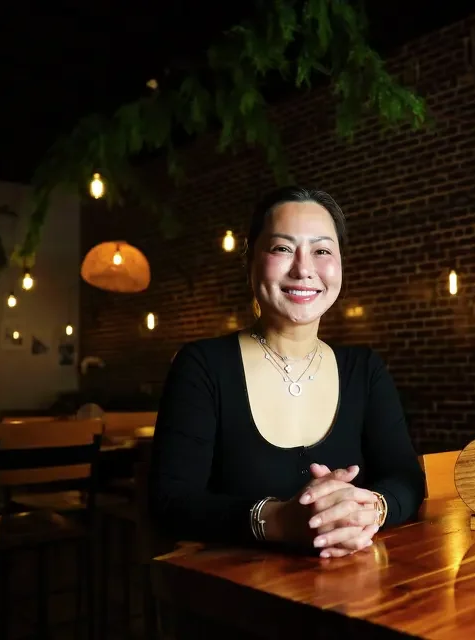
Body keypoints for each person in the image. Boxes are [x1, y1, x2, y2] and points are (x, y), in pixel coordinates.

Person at [148, 186, 425, 558]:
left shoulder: (365, 369)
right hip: (235, 596)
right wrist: (279, 520)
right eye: (282, 248)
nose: (304, 269)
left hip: (357, 593)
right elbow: (170, 501)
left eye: (322, 251)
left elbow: (406, 479)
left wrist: (368, 508)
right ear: (251, 261)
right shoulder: (203, 365)